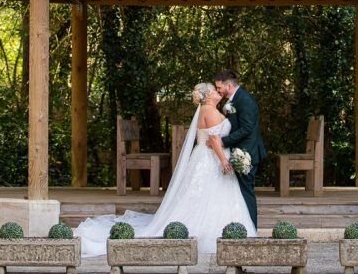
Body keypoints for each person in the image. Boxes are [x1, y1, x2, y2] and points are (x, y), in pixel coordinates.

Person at [74, 82, 255, 256]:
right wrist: (223, 160)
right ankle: (210, 230)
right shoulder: (209, 110)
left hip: (205, 157)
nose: (218, 92)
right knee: (209, 195)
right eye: (214, 91)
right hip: (211, 159)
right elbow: (214, 139)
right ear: (207, 96)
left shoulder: (208, 110)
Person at [206, 69, 266, 228]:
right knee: (238, 193)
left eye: (219, 87)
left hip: (246, 152)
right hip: (237, 150)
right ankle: (242, 228)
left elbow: (247, 128)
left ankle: (252, 230)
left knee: (246, 191)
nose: (217, 90)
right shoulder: (233, 100)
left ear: (229, 85)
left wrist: (222, 141)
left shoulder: (245, 100)